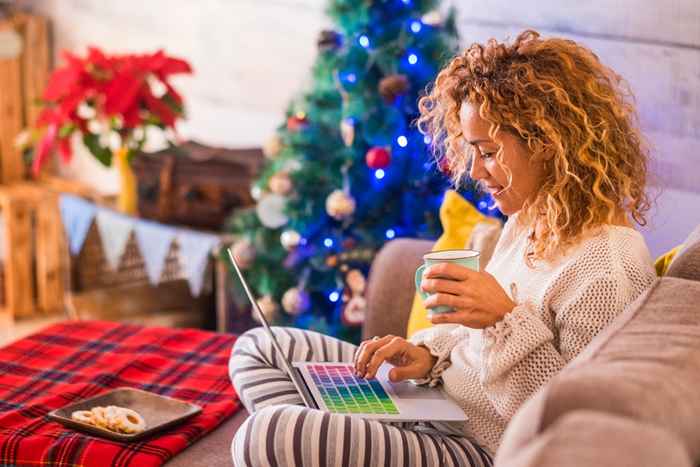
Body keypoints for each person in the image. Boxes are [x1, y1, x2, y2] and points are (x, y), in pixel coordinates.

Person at [228, 29, 657, 466]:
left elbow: (567, 427)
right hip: (435, 405)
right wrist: (429, 355)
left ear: (548, 144)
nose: (474, 170)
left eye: (487, 152)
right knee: (258, 349)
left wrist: (504, 320)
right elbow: (472, 342)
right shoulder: (531, 218)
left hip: (480, 448)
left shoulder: (607, 269)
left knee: (270, 433)